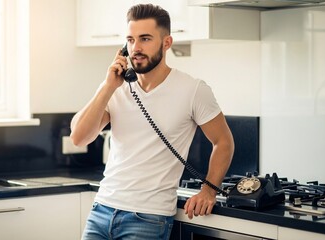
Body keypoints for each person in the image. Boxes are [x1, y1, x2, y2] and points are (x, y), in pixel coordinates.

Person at [70, 3, 234, 240]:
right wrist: (108, 87)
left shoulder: (193, 89)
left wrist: (208, 190)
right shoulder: (115, 86)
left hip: (148, 218)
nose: (136, 47)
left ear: (166, 43)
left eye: (145, 39)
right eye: (130, 39)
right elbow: (79, 137)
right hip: (101, 210)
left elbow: (224, 142)